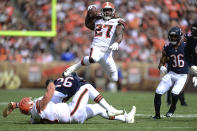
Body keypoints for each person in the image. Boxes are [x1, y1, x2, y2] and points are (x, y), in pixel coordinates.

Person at [3, 73, 136, 124]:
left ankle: (125, 119)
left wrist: (15, 105)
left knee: (98, 109)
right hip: (72, 112)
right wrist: (52, 84)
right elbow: (47, 96)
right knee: (87, 87)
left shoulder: (33, 118)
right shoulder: (37, 108)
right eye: (30, 101)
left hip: (73, 115)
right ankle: (111, 109)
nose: (32, 100)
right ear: (31, 105)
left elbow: (30, 106)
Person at [62, 2, 126, 91]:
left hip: (107, 54)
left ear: (113, 11)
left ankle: (104, 67)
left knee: (114, 78)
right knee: (93, 58)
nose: (107, 12)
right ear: (102, 11)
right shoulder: (97, 20)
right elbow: (88, 24)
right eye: (105, 10)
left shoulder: (117, 21)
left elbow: (119, 34)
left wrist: (116, 42)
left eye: (109, 10)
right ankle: (74, 68)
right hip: (96, 47)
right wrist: (89, 15)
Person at [152, 26, 188, 119]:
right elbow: (162, 61)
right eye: (172, 36)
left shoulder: (186, 47)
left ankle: (172, 108)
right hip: (171, 74)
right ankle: (157, 115)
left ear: (180, 36)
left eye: (175, 37)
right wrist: (161, 67)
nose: (173, 38)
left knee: (174, 93)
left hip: (182, 75)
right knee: (158, 92)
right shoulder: (167, 47)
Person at [184, 20, 197, 87]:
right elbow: (185, 54)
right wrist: (191, 65)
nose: (193, 32)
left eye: (195, 30)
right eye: (193, 30)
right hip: (189, 63)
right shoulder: (188, 37)